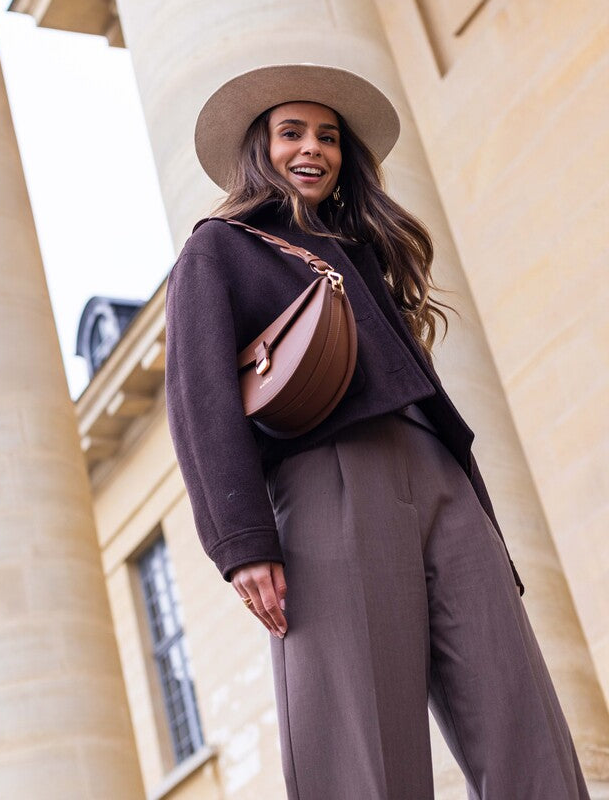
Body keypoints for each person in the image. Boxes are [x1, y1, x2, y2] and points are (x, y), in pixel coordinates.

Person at [164, 63, 589, 800]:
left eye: (327, 137)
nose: (312, 150)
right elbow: (199, 401)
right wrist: (243, 544)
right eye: (291, 132)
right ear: (258, 150)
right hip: (328, 483)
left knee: (518, 708)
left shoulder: (358, 252)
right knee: (360, 740)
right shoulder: (220, 248)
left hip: (441, 477)